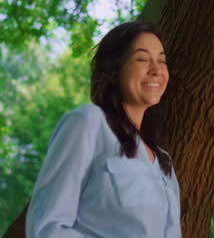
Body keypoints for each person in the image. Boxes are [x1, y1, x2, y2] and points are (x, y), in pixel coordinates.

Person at [26, 22, 181, 237]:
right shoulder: (88, 123)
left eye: (162, 61)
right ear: (114, 69)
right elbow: (47, 227)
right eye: (142, 59)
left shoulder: (164, 162)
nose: (156, 70)